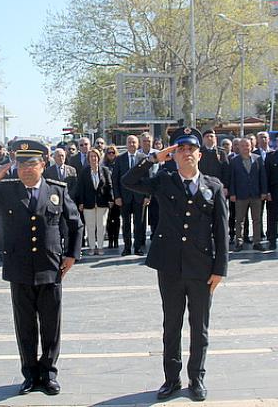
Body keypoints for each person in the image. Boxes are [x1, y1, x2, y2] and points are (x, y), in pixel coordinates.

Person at [122, 127, 228, 402]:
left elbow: (221, 231)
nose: (186, 154)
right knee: (171, 325)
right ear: (174, 155)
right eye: (180, 149)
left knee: (199, 327)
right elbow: (128, 180)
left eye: (191, 149)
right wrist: (154, 158)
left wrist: (220, 270)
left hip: (202, 267)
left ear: (199, 154)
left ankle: (197, 378)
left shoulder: (213, 187)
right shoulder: (164, 180)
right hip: (169, 266)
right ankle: (171, 379)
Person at [0, 139, 83, 396]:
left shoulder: (57, 189)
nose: (26, 169)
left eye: (31, 163)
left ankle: (49, 372)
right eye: (21, 164)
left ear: (43, 164)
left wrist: (71, 255)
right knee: (25, 325)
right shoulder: (7, 189)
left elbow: (75, 223)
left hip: (50, 266)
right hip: (19, 267)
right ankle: (30, 373)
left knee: (51, 323)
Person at [111, 135, 149, 255]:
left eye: (134, 142)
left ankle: (137, 248)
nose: (132, 144)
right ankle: (127, 248)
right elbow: (115, 179)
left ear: (138, 144)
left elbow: (147, 179)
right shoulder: (119, 159)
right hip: (124, 197)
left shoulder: (144, 158)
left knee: (139, 224)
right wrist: (117, 196)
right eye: (129, 142)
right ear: (126, 144)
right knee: (126, 223)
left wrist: (148, 196)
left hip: (139, 197)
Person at [229, 137, 268, 251]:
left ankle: (257, 242)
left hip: (256, 194)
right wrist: (232, 193)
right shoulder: (234, 161)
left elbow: (263, 177)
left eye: (247, 145)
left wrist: (264, 192)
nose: (245, 148)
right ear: (239, 147)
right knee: (239, 220)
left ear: (251, 146)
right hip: (240, 195)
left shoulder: (258, 159)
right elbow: (232, 179)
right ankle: (239, 242)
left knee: (257, 219)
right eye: (242, 146)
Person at [75, 148, 113, 255]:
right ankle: (92, 247)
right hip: (88, 203)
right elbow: (80, 188)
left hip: (102, 202)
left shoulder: (104, 170)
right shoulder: (84, 171)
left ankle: (100, 247)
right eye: (91, 156)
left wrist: (111, 199)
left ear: (98, 158)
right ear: (88, 159)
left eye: (95, 156)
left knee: (101, 225)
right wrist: (81, 202)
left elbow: (109, 185)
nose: (93, 158)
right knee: (90, 226)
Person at [44, 148, 79, 250]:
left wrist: (66, 197)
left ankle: (68, 249)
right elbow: (48, 187)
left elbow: (75, 186)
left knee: (68, 228)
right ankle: (57, 250)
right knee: (57, 228)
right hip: (55, 204)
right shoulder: (49, 171)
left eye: (63, 155)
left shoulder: (72, 170)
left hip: (69, 203)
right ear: (54, 158)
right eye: (58, 156)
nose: (61, 158)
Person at [102, 145, 121, 251]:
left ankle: (116, 240)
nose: (111, 154)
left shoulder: (119, 164)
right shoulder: (104, 165)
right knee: (109, 220)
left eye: (113, 152)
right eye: (109, 152)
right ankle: (110, 240)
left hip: (117, 195)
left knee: (117, 219)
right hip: (107, 196)